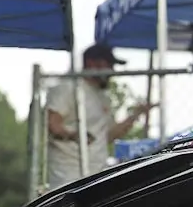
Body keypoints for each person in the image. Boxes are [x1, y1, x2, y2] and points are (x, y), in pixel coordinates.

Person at [44, 43, 152, 189]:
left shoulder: (102, 96)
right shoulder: (68, 87)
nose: (112, 71)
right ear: (91, 63)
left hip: (97, 174)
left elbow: (107, 136)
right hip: (69, 176)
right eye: (108, 65)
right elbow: (52, 124)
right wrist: (75, 136)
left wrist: (135, 115)